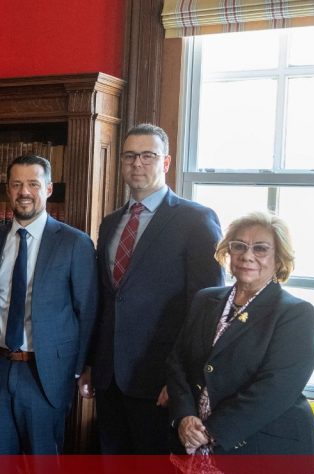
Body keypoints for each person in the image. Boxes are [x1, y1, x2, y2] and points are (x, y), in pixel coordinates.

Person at [168, 212, 314, 474]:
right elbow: (178, 362)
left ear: (279, 258)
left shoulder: (295, 313)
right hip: (196, 450)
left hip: (264, 456)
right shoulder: (205, 300)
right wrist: (184, 416)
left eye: (260, 248)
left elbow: (276, 389)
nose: (247, 256)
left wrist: (209, 431)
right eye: (239, 246)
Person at [80, 123, 223, 454]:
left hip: (160, 382)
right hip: (109, 377)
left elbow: (207, 310)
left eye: (148, 155)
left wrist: (183, 382)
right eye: (129, 156)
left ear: (166, 162)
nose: (137, 164)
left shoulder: (196, 220)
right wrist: (90, 363)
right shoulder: (111, 223)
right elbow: (105, 301)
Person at [0, 155, 98, 455]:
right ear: (7, 190)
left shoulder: (74, 243)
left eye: (33, 184)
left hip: (46, 374)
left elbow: (87, 311)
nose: (24, 192)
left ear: (48, 189)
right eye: (17, 184)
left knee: (43, 469)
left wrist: (82, 368)